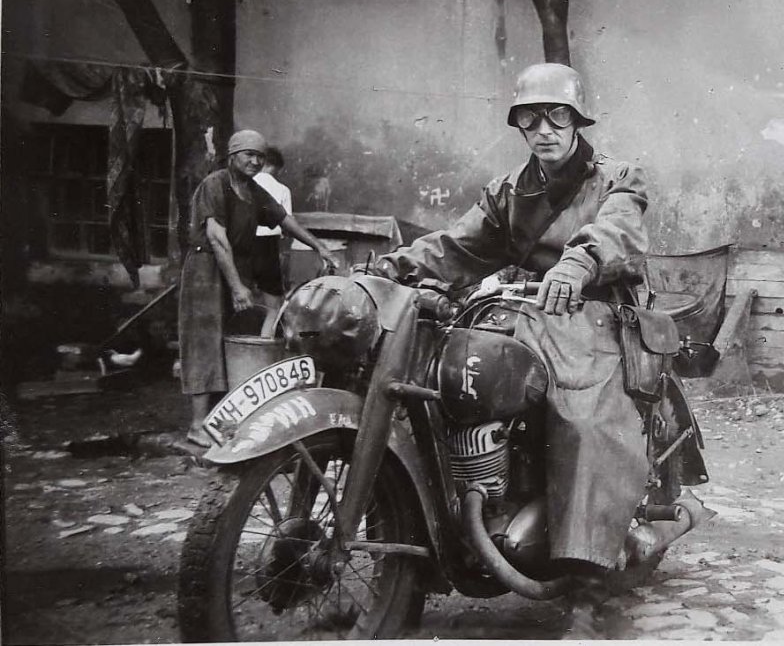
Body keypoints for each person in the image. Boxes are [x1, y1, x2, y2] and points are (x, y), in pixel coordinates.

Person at [373, 62, 650, 635]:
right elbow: (457, 245)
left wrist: (579, 262)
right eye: (530, 119)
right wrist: (393, 267)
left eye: (557, 116)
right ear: (518, 125)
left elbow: (618, 231)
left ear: (577, 120)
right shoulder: (508, 191)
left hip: (597, 314)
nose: (544, 130)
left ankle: (587, 588)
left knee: (584, 420)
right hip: (529, 313)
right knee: (453, 382)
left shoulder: (617, 177)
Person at [178, 129, 339, 447]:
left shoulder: (253, 191)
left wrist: (319, 247)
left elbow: (284, 220)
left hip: (232, 268)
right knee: (204, 342)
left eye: (260, 157)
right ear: (232, 156)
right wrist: (237, 287)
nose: (255, 161)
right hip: (205, 270)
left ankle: (219, 422)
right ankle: (197, 425)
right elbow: (217, 239)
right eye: (249, 154)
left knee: (230, 342)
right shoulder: (215, 185)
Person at [252, 146, 293, 335]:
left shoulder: (244, 184)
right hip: (267, 246)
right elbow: (287, 224)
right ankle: (263, 345)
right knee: (273, 307)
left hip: (242, 244)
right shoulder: (282, 189)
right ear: (276, 168)